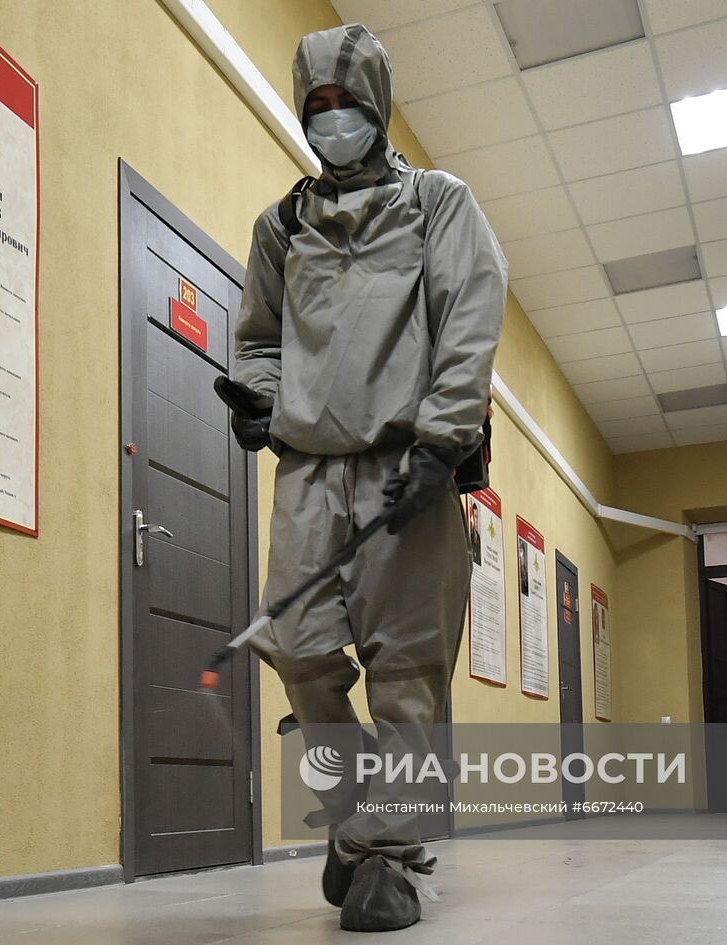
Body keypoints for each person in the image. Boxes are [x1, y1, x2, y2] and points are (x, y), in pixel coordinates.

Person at [229, 23, 507, 933]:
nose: (334, 119)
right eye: (317, 106)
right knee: (296, 644)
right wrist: (257, 398)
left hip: (406, 464)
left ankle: (385, 854)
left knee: (406, 673)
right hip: (310, 469)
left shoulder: (436, 203)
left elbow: (469, 315)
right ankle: (359, 824)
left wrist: (442, 439)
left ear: (379, 105)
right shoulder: (282, 226)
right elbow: (258, 336)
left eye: (348, 103)